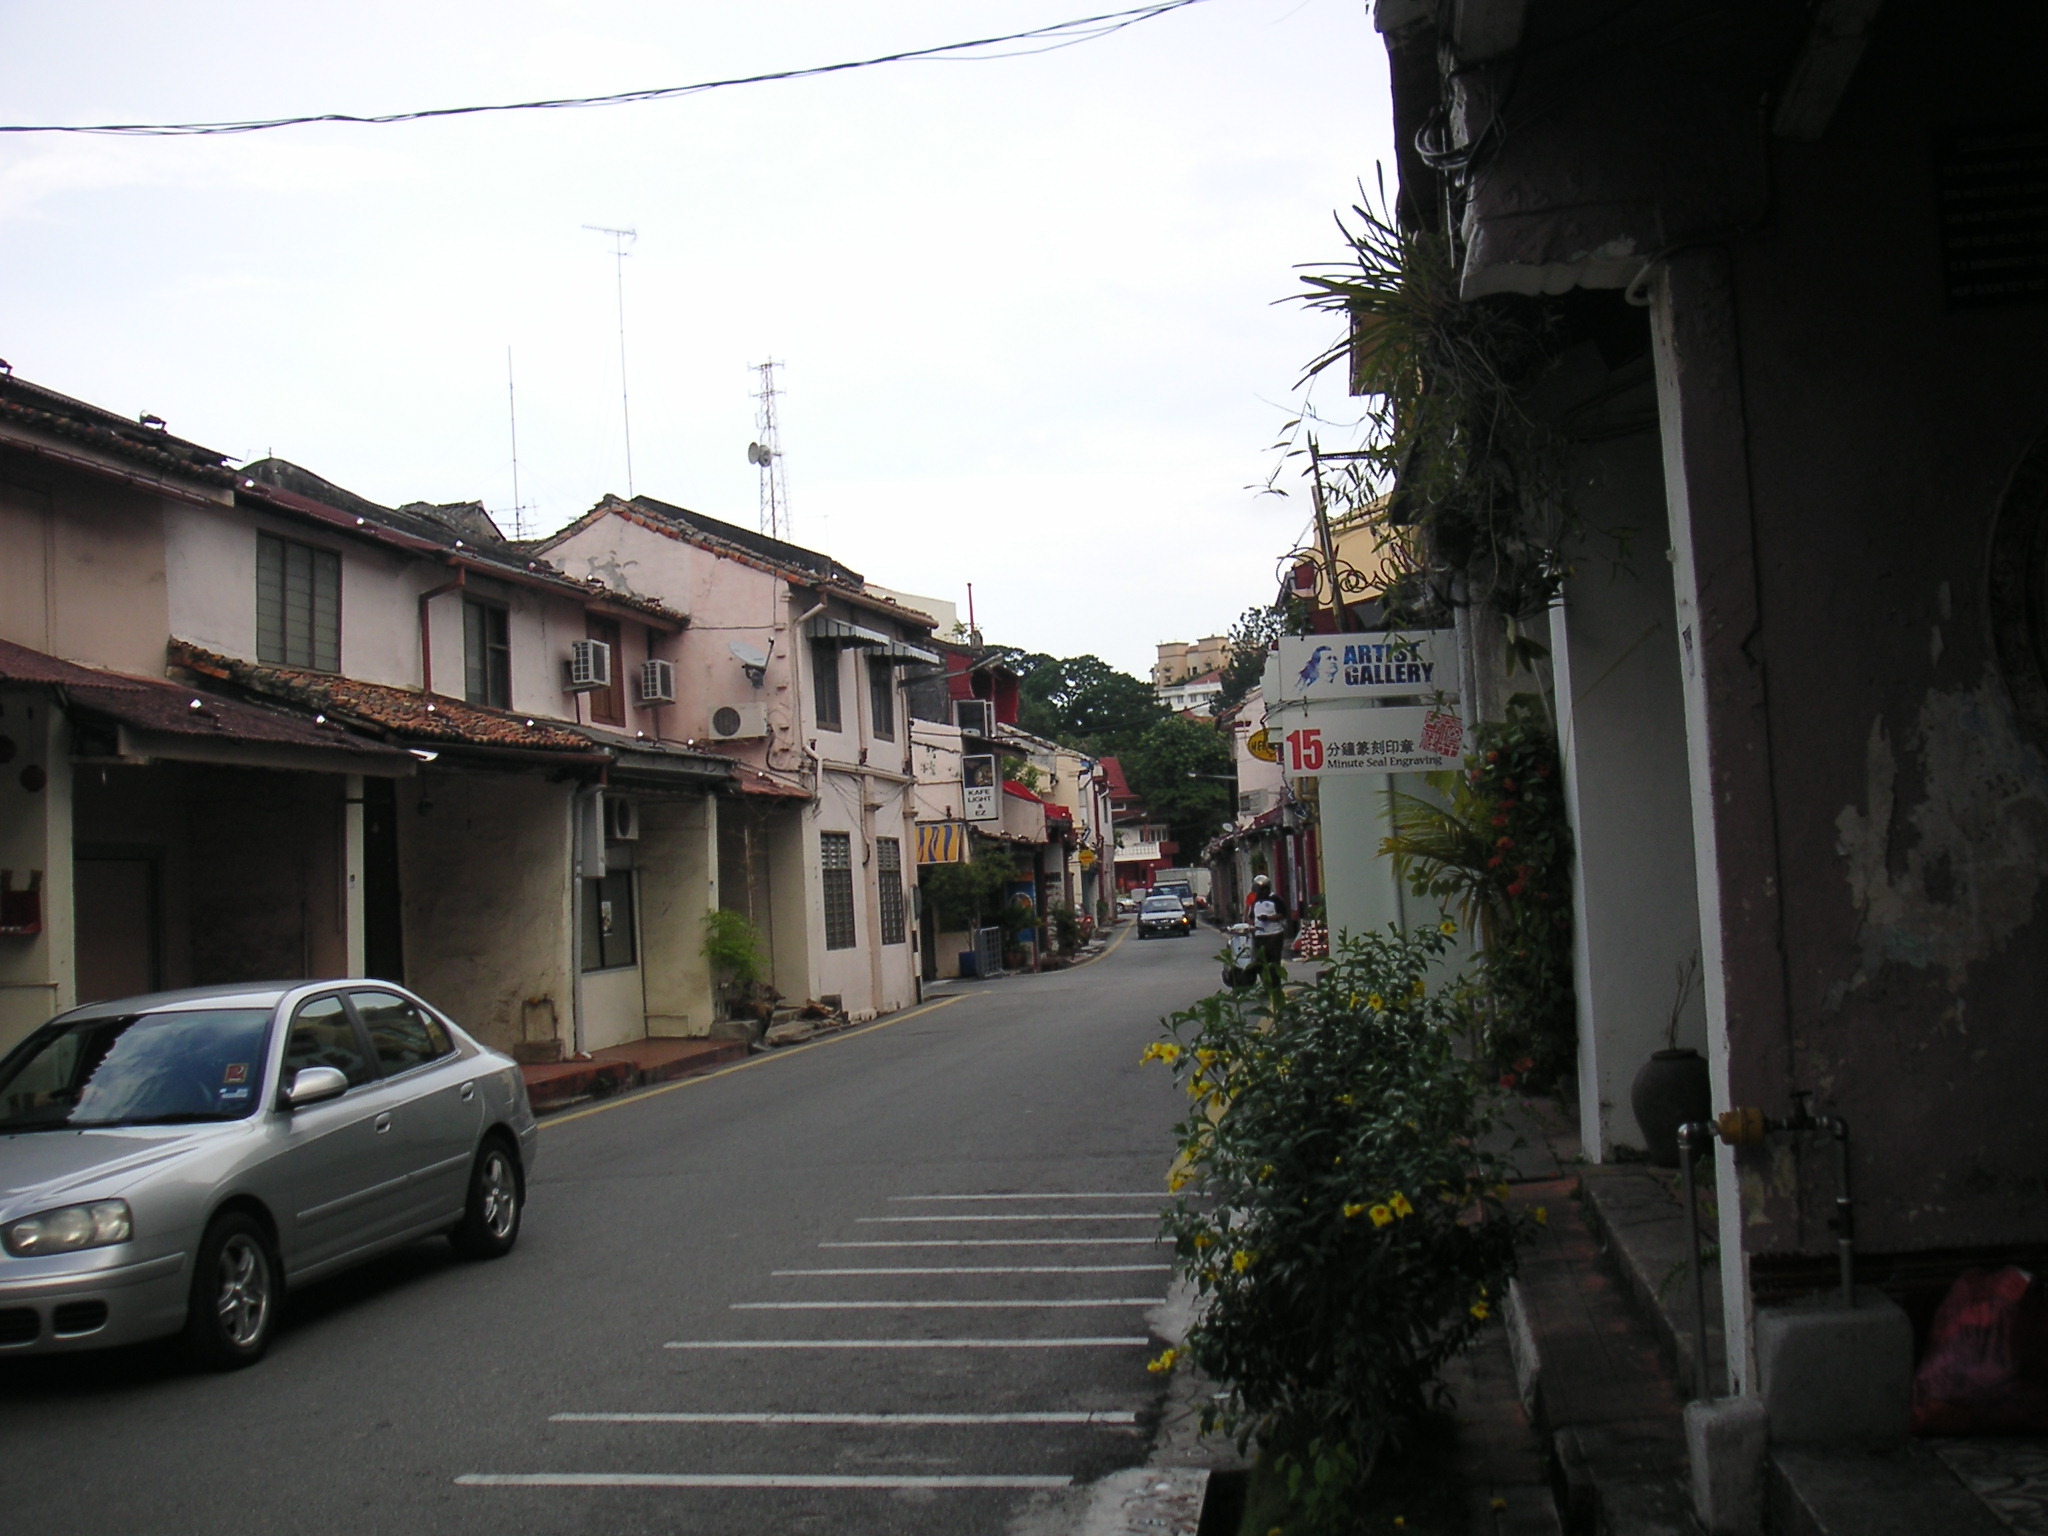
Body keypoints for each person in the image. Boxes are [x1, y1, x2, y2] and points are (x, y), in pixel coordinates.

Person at [1250, 874, 1286, 969]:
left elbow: (1282, 914)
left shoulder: (1275, 899)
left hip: (1274, 935)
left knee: (1273, 962)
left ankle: (1275, 978)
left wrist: (1268, 918)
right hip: (1259, 936)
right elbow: (1252, 916)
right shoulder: (1256, 901)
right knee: (1260, 962)